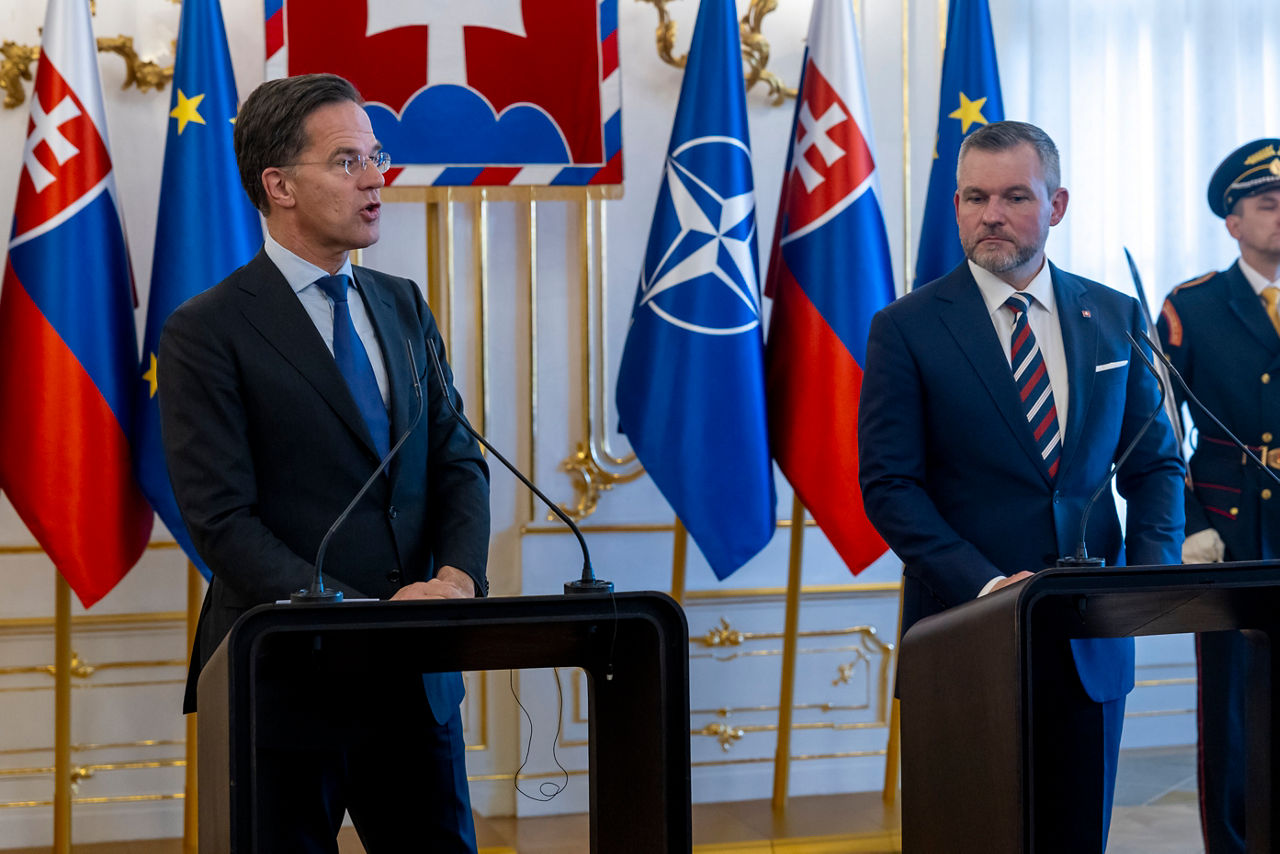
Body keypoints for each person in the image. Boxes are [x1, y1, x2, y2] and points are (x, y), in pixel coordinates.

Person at [157, 73, 490, 853]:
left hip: (417, 684)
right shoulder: (206, 331)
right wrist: (357, 618)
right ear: (279, 185)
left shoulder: (403, 304)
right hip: (284, 687)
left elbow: (458, 464)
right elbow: (223, 523)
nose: (376, 179)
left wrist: (456, 581)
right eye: (347, 161)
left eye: (375, 157)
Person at [858, 120, 1184, 851]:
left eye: (1013, 196)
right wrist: (986, 586)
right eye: (974, 198)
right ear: (956, 205)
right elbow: (890, 484)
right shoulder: (906, 328)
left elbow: (1156, 464)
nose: (991, 215)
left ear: (1057, 204)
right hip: (961, 638)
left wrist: (1148, 578)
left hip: (1092, 642)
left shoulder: (1116, 319)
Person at [1157, 138, 1280, 854]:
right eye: (1267, 203)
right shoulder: (1192, 307)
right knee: (1233, 710)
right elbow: (1154, 430)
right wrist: (1189, 523)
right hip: (1230, 533)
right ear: (1231, 221)